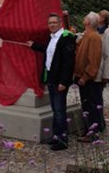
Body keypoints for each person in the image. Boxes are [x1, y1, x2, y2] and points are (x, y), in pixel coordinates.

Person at [28, 13, 76, 151]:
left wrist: (64, 82)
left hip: (59, 80)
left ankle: (62, 139)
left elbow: (69, 62)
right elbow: (49, 51)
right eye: (50, 23)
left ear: (60, 23)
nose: (52, 25)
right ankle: (56, 136)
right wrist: (34, 45)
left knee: (60, 110)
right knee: (55, 110)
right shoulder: (52, 38)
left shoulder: (67, 37)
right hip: (51, 78)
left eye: (54, 22)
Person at [74, 12, 102, 142]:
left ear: (88, 22)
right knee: (86, 106)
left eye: (85, 17)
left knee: (90, 106)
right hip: (81, 77)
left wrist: (85, 77)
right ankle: (88, 130)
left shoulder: (94, 37)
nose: (83, 18)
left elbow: (93, 61)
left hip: (87, 80)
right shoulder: (87, 35)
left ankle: (92, 132)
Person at [94, 10, 109, 132]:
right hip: (94, 71)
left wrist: (106, 75)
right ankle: (98, 122)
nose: (98, 16)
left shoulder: (108, 34)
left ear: (104, 19)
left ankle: (100, 123)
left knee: (98, 99)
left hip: (100, 71)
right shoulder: (96, 31)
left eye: (100, 15)